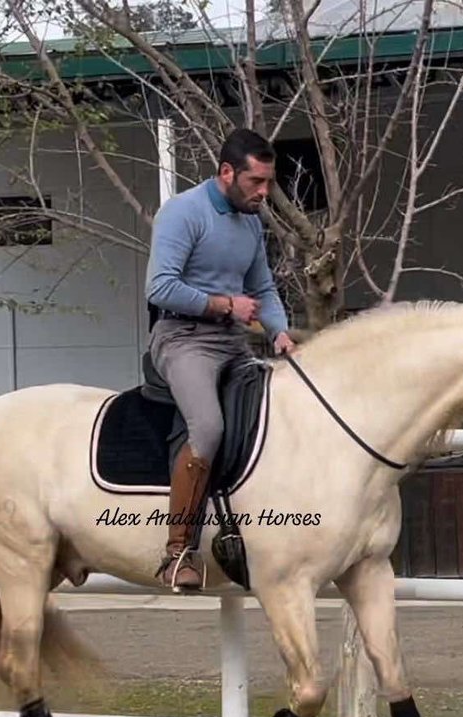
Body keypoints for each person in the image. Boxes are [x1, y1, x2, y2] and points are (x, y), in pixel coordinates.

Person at [145, 128, 297, 591]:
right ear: (227, 172)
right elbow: (160, 288)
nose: (263, 193)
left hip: (233, 342)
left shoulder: (251, 221)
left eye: (268, 183)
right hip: (182, 339)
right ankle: (177, 553)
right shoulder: (182, 213)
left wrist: (281, 332)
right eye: (256, 182)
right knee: (208, 428)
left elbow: (264, 289)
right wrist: (227, 305)